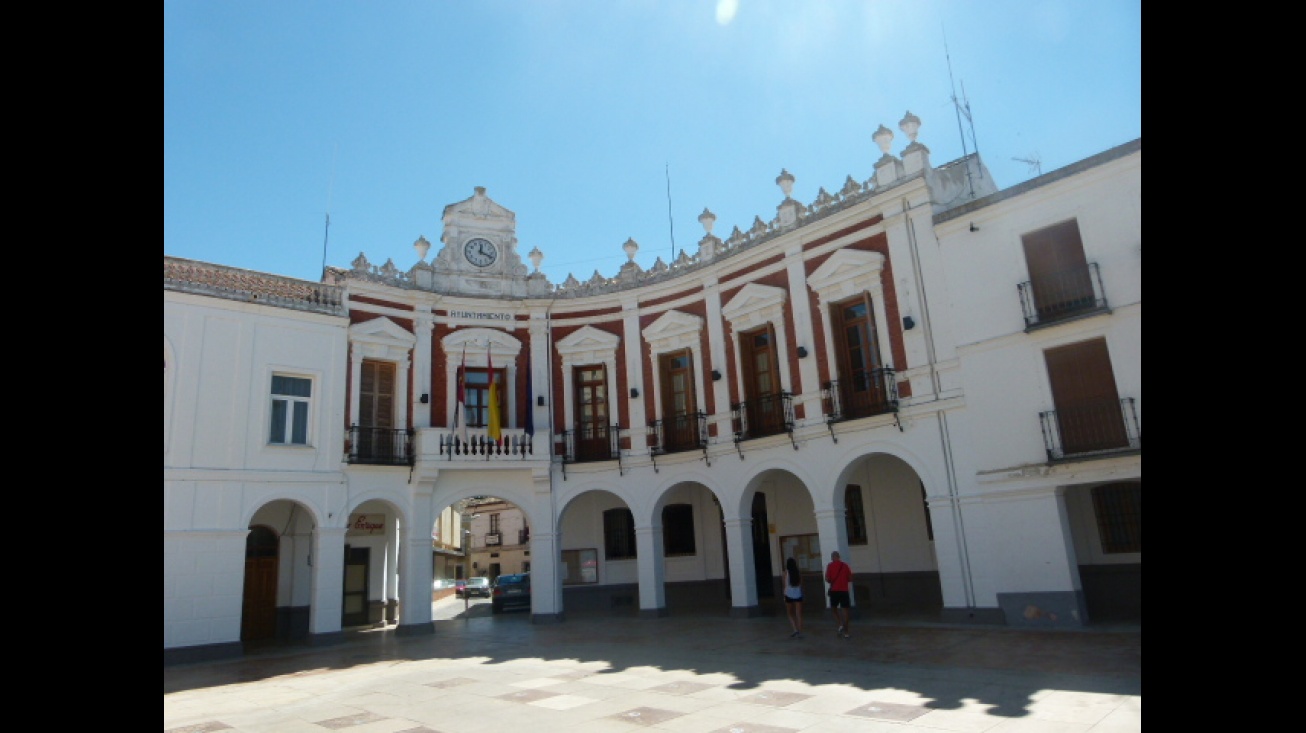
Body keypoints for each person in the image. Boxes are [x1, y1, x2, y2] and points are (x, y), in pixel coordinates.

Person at [825, 550, 853, 639]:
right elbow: (850, 578)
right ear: (839, 557)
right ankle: (846, 631)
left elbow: (827, 579)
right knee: (845, 610)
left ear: (832, 557)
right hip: (844, 590)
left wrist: (832, 581)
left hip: (834, 591)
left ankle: (840, 623)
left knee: (833, 608)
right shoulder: (845, 566)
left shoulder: (829, 566)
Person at [783, 557, 804, 638]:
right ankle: (800, 631)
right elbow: (801, 584)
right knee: (799, 614)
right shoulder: (798, 573)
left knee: (790, 613)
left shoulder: (785, 573)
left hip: (788, 594)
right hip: (798, 594)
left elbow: (784, 585)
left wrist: (784, 595)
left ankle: (795, 629)